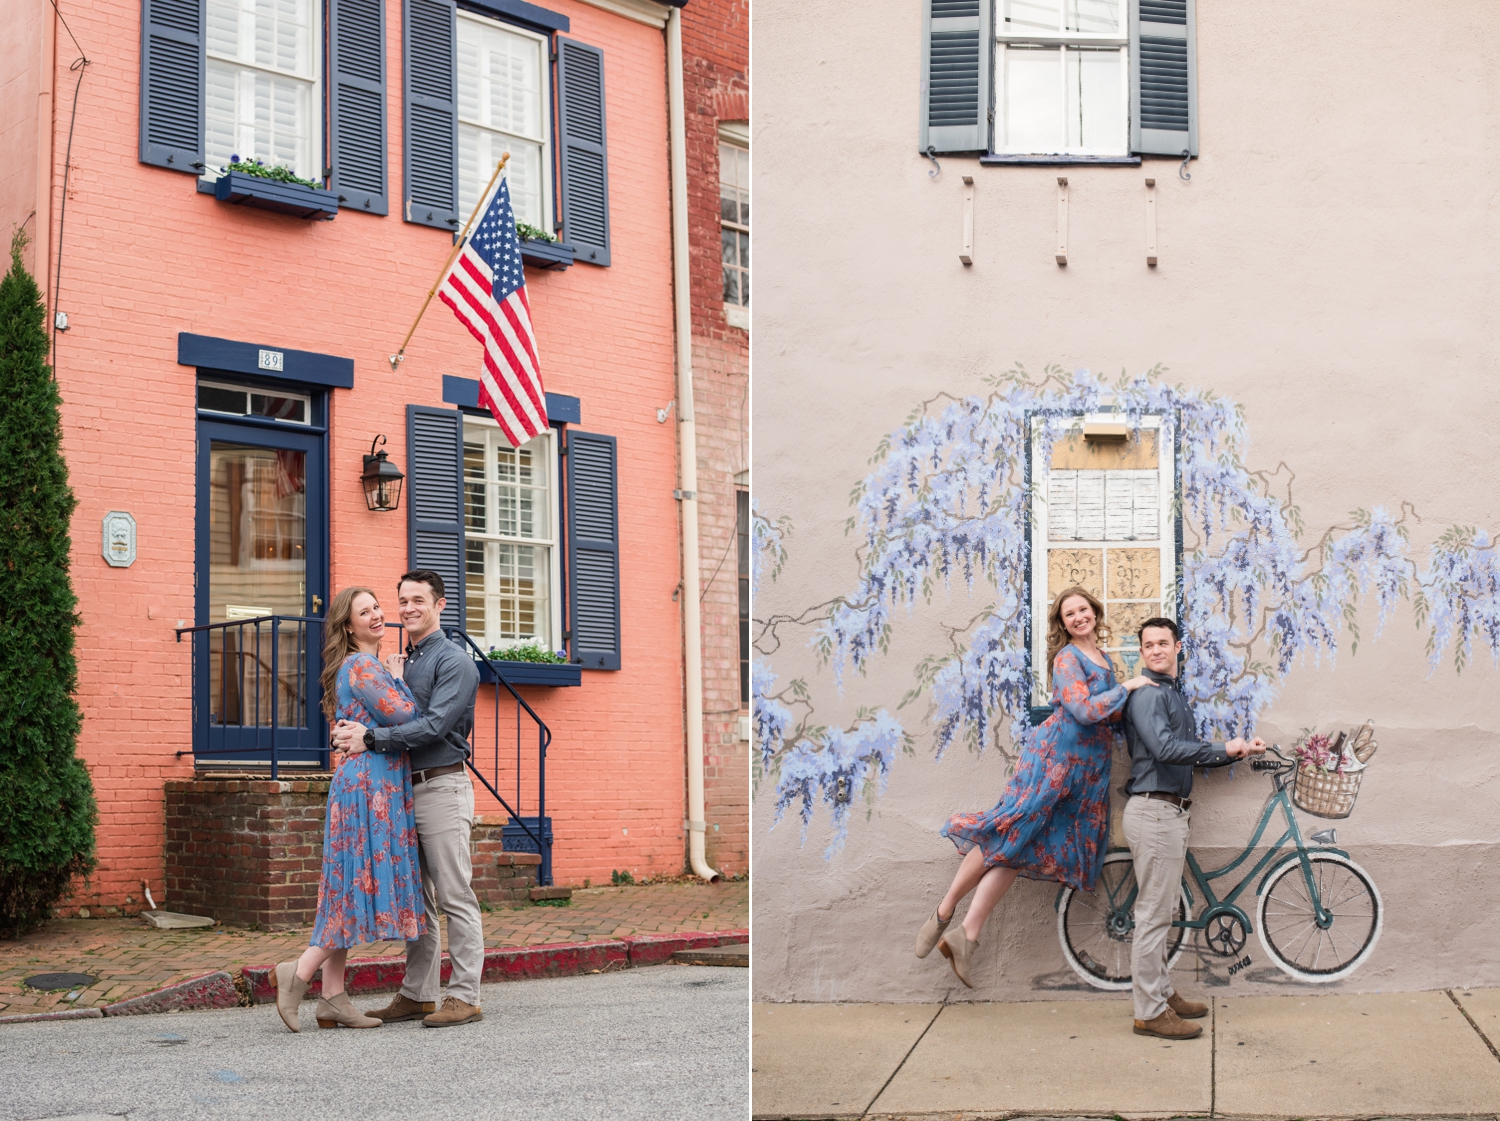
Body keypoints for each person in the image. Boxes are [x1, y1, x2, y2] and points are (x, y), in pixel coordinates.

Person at [914, 586, 1159, 987]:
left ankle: (966, 937)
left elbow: (1108, 716)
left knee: (1023, 848)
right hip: (1055, 762)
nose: (1079, 617)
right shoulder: (1067, 659)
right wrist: (1129, 689)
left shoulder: (1104, 659)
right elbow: (1082, 710)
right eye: (1069, 614)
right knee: (1007, 832)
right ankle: (943, 912)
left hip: (1085, 772)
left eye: (1083, 610)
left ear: (1095, 612)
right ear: (1062, 624)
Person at [331, 570, 484, 1028]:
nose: (407, 608)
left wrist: (371, 739)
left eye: (418, 599)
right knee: (418, 900)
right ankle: (418, 993)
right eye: (402, 600)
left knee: (455, 894)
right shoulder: (403, 661)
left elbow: (434, 726)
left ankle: (465, 995)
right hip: (402, 788)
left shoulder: (455, 662)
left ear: (440, 605)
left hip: (441, 786)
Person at [272, 587, 426, 1032]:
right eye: (366, 611)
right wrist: (397, 677)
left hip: (369, 784)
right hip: (368, 790)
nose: (378, 615)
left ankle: (333, 997)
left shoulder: (361, 666)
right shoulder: (362, 666)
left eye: (378, 606)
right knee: (353, 885)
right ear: (348, 626)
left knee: (347, 883)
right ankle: (299, 972)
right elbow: (408, 715)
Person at [1121, 616, 1265, 1040]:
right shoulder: (1148, 696)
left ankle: (1162, 994)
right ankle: (1148, 1011)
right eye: (1148, 646)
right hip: (1153, 813)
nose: (1156, 651)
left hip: (1169, 814)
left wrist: (1234, 753)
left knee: (1163, 912)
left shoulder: (1171, 694)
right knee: (1152, 916)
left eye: (1163, 643)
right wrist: (1223, 746)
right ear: (1142, 652)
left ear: (1177, 647)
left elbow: (1189, 754)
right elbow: (1165, 749)